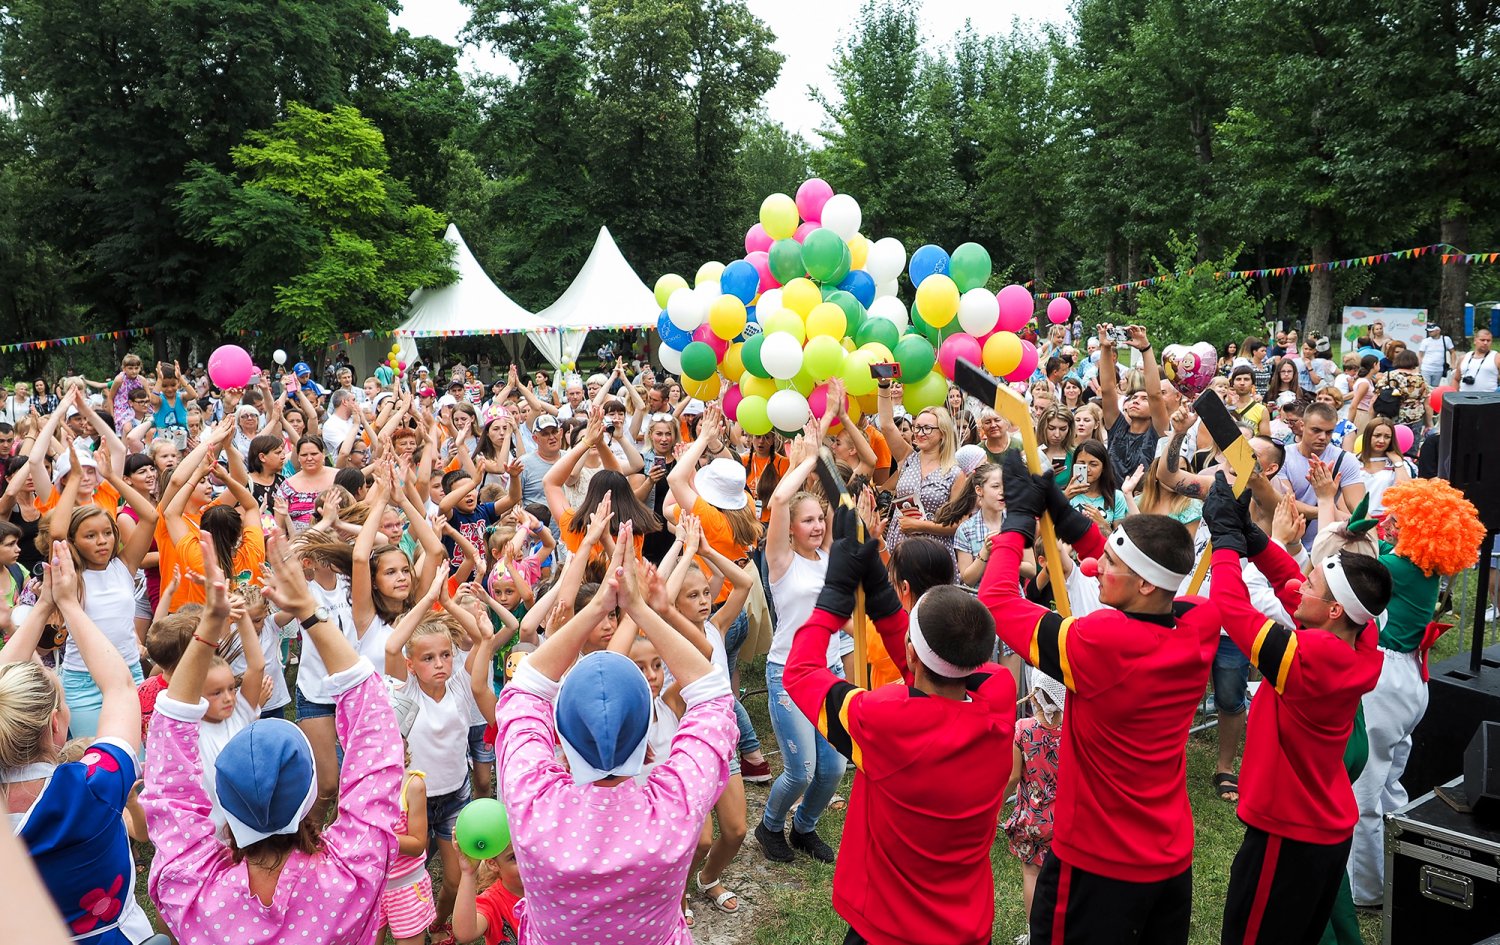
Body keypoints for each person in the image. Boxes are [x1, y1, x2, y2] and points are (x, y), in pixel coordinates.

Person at [981, 454, 1219, 945]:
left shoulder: (1103, 642)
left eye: (1110, 563)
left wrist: (1017, 525)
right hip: (1169, 856)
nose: (1096, 565)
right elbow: (1160, 587)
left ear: (1146, 583)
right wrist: (1066, 519)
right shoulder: (1199, 625)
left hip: (1098, 861)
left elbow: (997, 602)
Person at [141, 527, 403, 944]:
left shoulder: (190, 894)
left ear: (221, 799)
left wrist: (208, 628)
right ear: (309, 792)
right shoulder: (353, 874)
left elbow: (168, 786)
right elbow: (376, 747)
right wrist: (309, 611)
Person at [784, 499, 1016, 945]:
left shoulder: (886, 718)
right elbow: (932, 669)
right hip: (967, 925)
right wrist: (878, 587)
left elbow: (800, 672)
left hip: (887, 928)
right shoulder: (999, 693)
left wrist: (835, 590)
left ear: (911, 652)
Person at [493, 524, 736, 944]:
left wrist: (598, 606)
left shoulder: (531, 800)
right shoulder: (675, 804)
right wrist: (640, 609)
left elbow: (525, 690)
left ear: (560, 740)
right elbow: (713, 695)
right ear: (647, 741)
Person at [1203, 476, 1387, 945]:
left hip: (1287, 836)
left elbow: (1230, 606)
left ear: (1332, 611)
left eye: (1313, 583)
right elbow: (1291, 589)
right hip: (1322, 831)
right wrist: (1255, 538)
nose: (1299, 582)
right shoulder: (1360, 639)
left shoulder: (1308, 659)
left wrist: (1225, 544)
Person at [4, 542, 153, 945]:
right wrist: (68, 604)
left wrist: (40, 609)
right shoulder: (92, 788)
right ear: (57, 726)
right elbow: (121, 687)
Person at [1348, 479, 1486, 908]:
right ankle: (1394, 870)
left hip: (1386, 681)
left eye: (1404, 519)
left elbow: (1345, 562)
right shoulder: (1419, 566)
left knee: (1364, 792)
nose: (1394, 524)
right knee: (1388, 785)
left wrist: (1363, 524)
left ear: (1423, 528)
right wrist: (1375, 522)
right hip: (1408, 679)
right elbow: (1366, 538)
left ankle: (1366, 889)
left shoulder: (1400, 568)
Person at [758, 436, 844, 865]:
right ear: (790, 528)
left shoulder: (827, 558)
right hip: (787, 672)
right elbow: (777, 500)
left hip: (828, 670)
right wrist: (806, 460)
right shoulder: (781, 561)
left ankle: (804, 828)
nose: (816, 527)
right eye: (807, 520)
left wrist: (822, 449)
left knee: (834, 769)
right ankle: (770, 826)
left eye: (819, 520)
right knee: (801, 771)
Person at [1002, 673, 1066, 939]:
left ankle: (1034, 932)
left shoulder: (1022, 728)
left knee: (1032, 873)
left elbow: (1014, 776)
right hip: (1065, 817)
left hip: (1032, 818)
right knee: (1064, 877)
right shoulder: (1074, 727)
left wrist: (995, 802)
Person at [1097, 324, 1170, 480]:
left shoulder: (1157, 432)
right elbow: (1107, 390)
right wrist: (1105, 347)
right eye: (1133, 398)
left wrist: (1145, 348)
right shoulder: (1117, 429)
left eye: (1144, 399)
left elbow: (1155, 394)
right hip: (1114, 501)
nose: (1136, 401)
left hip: (1142, 501)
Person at [1454, 327, 1498, 392]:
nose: (1485, 343)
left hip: (1488, 399)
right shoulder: (1464, 358)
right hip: (1463, 399)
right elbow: (1456, 379)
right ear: (1475, 341)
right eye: (1482, 340)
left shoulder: (1496, 357)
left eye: (1488, 340)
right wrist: (1454, 396)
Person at [1418, 321, 1454, 387]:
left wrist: (1453, 364)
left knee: (1435, 388)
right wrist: (1419, 368)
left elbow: (1452, 352)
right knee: (1426, 387)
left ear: (1438, 331)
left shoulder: (1446, 339)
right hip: (1426, 368)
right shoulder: (1425, 341)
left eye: (1431, 331)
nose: (1429, 333)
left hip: (1439, 369)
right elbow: (1420, 355)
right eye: (1429, 331)